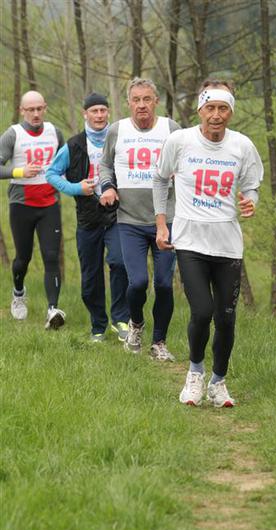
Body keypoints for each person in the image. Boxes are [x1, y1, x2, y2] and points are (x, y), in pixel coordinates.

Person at [153, 78, 263, 407]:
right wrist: (161, 224)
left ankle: (219, 382)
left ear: (231, 112)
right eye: (210, 108)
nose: (216, 115)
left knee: (226, 318)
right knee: (202, 312)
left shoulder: (242, 146)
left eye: (223, 109)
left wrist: (251, 202)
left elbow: (251, 186)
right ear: (200, 110)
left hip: (228, 245)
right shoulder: (180, 141)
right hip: (190, 242)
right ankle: (195, 373)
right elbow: (160, 179)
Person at [99, 77, 180, 359]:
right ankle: (136, 325)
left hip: (167, 219)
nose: (142, 105)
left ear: (156, 101)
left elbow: (187, 162)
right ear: (129, 103)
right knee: (137, 283)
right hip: (129, 220)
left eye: (147, 99)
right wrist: (107, 186)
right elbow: (105, 165)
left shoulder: (171, 129)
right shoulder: (117, 130)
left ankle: (159, 343)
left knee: (164, 284)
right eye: (136, 100)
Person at [46, 92, 129, 342]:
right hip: (88, 217)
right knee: (91, 276)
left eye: (103, 110)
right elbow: (51, 174)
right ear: (85, 114)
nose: (99, 115)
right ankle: (98, 326)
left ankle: (121, 319)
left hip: (116, 214)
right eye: (94, 111)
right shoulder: (73, 145)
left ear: (108, 112)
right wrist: (76, 188)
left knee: (119, 262)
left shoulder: (120, 139)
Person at [0, 90, 66, 329]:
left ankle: (53, 310)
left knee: (51, 256)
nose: (36, 114)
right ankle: (18, 293)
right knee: (23, 258)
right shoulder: (13, 134)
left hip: (50, 203)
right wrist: (20, 171)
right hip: (22, 204)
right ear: (22, 111)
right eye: (31, 110)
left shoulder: (55, 132)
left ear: (45, 108)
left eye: (39, 108)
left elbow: (67, 162)